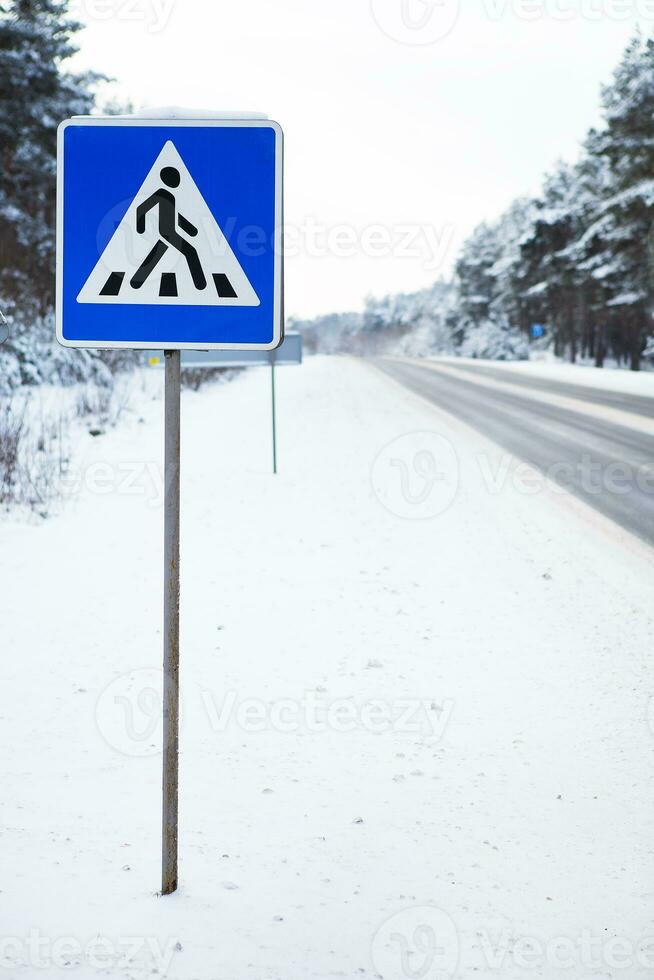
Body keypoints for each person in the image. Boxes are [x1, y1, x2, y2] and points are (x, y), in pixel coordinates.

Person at [130, 166, 207, 290]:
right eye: (175, 177)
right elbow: (141, 209)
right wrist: (140, 228)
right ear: (167, 179)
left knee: (157, 253)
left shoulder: (170, 196)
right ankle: (201, 286)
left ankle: (136, 282)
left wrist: (190, 229)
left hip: (169, 232)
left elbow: (174, 215)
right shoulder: (162, 193)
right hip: (166, 232)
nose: (178, 180)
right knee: (190, 252)